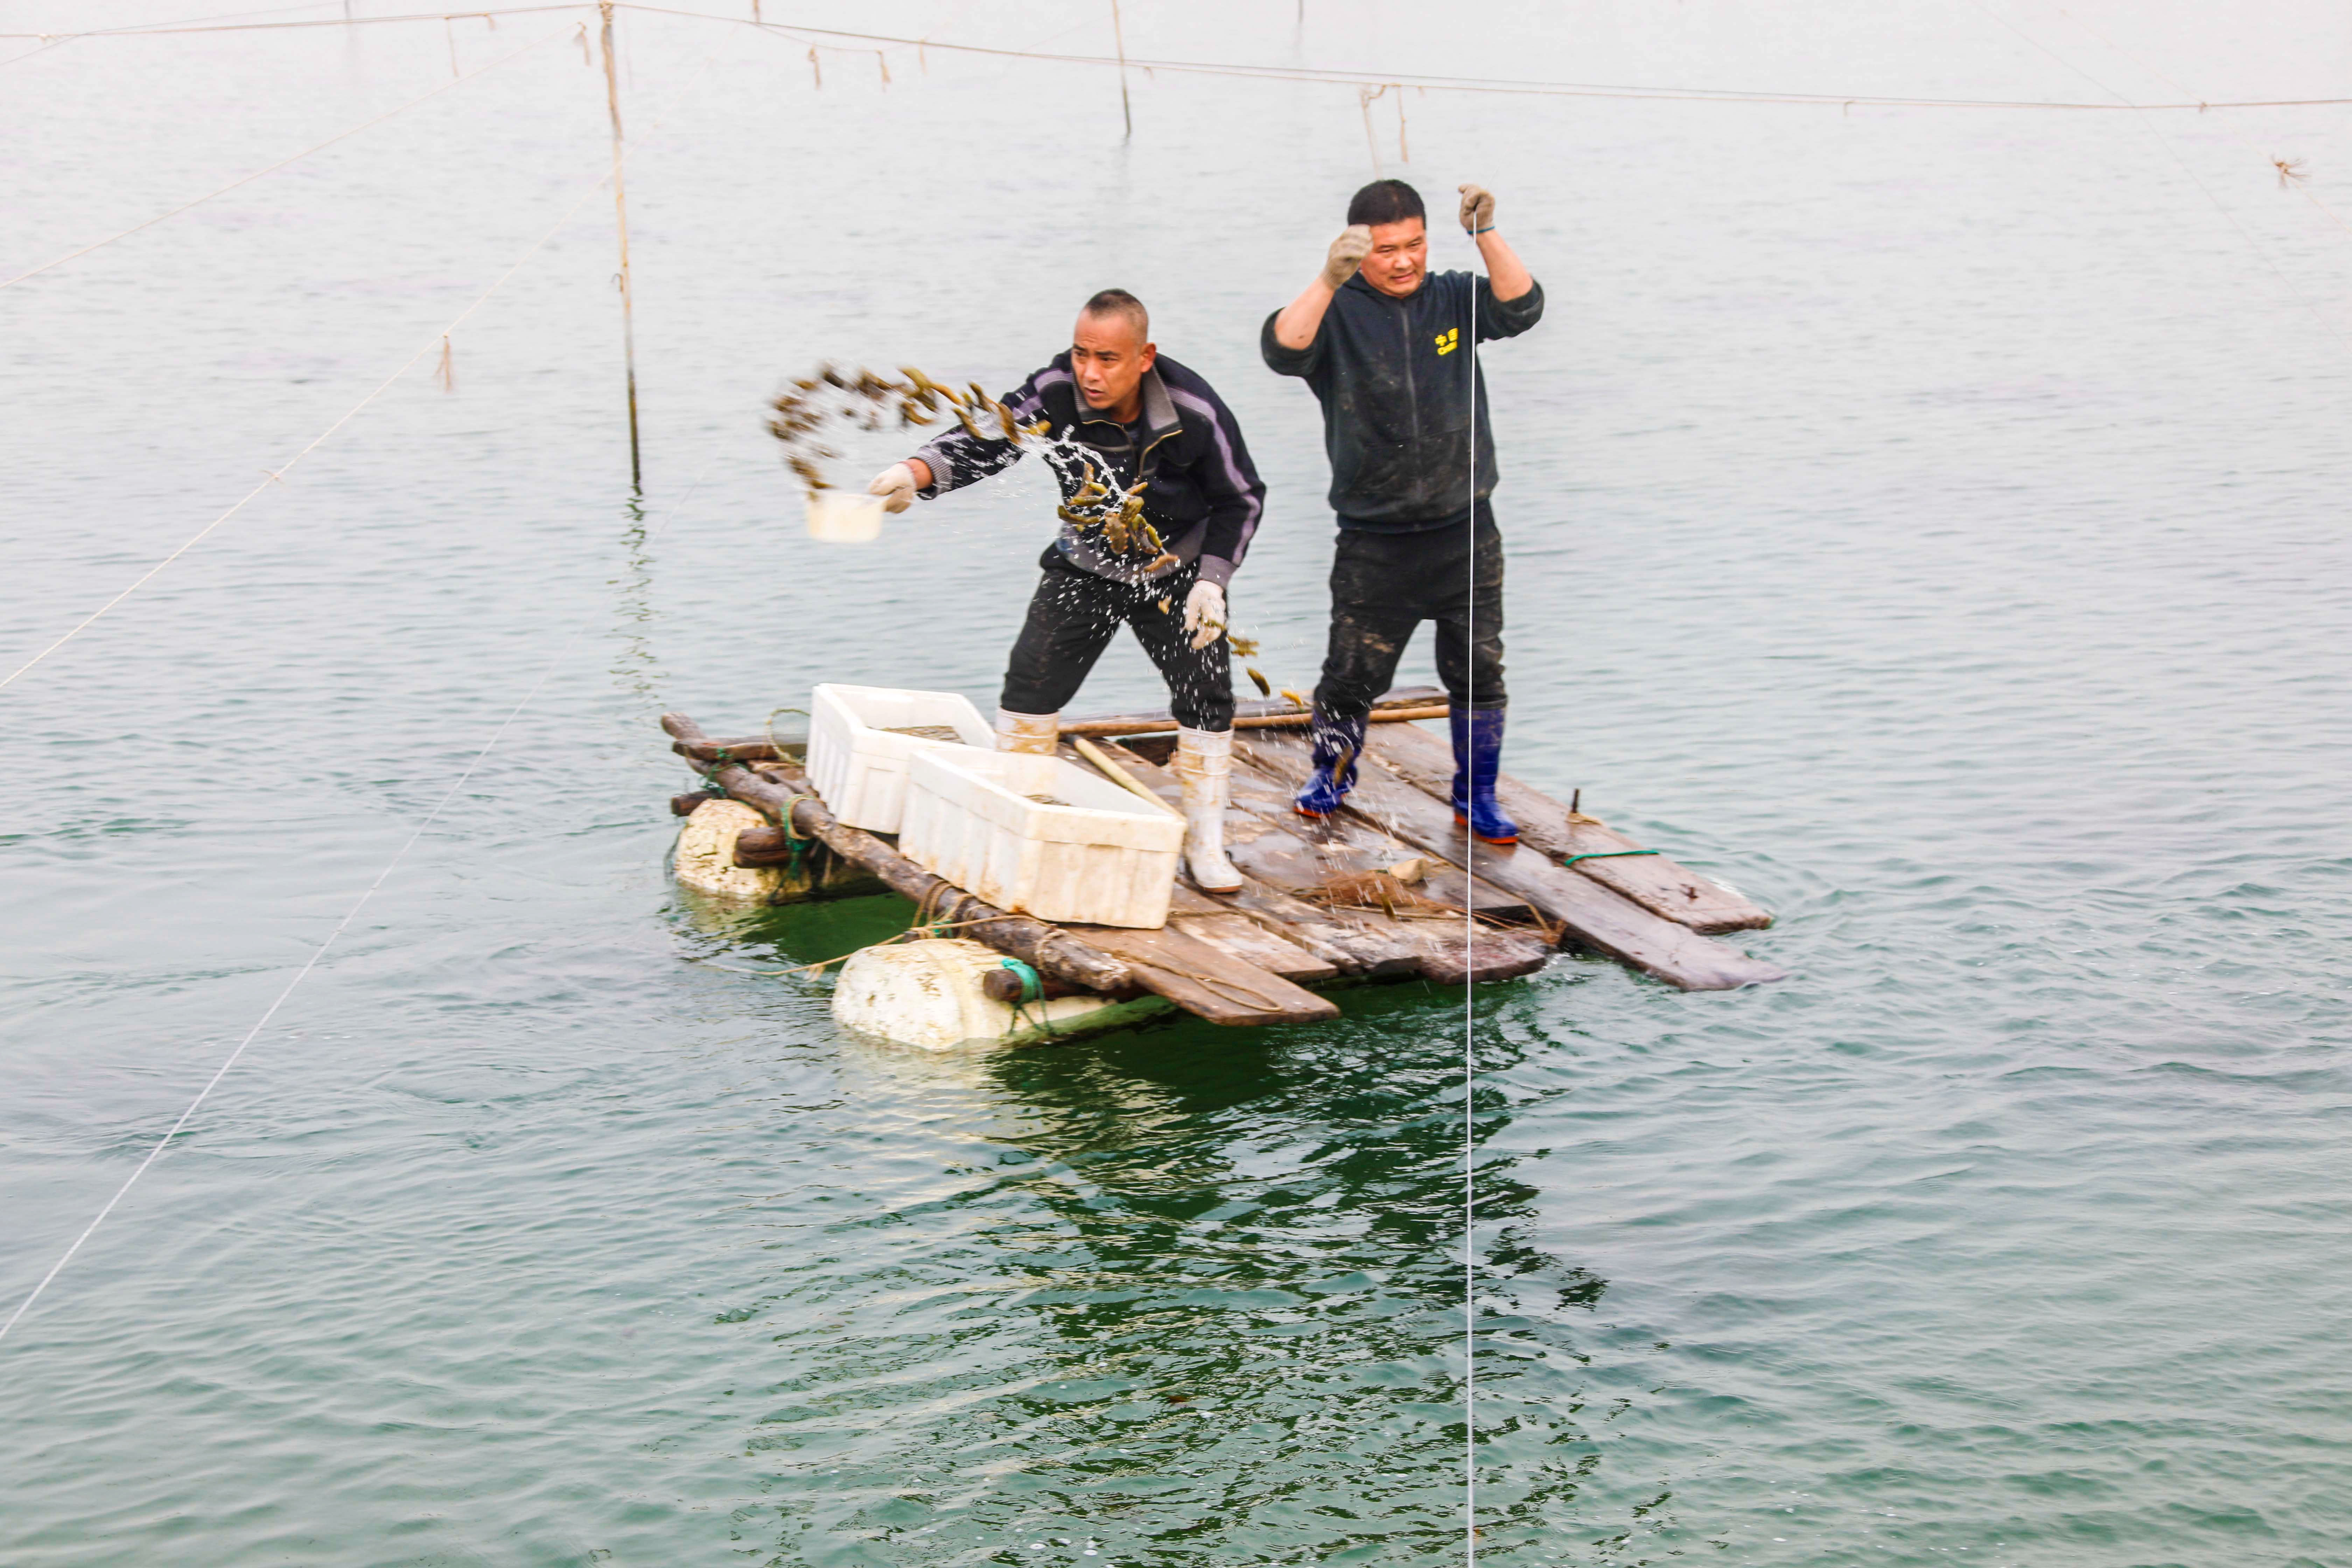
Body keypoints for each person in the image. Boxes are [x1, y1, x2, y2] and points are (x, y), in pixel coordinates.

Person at [867, 288, 1267, 891]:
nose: (1090, 372)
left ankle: (1207, 847)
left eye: (1107, 358)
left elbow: (1241, 498)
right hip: (1087, 562)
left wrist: (1212, 583)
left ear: (1144, 357)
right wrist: (915, 475)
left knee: (1207, 695)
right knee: (1030, 682)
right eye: (1082, 354)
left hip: (1178, 570)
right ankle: (1012, 824)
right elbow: (989, 437)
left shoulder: (1195, 411)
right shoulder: (1055, 391)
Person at [1261, 178, 1543, 844]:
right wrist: (1329, 279)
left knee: (1479, 668)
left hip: (1466, 530)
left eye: (1414, 245)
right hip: (1374, 539)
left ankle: (1476, 795)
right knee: (1352, 674)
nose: (1404, 261)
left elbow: (1523, 306)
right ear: (1359, 252)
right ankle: (1330, 774)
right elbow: (1282, 350)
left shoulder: (1451, 298)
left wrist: (1485, 234)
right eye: (1386, 250)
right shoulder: (1336, 311)